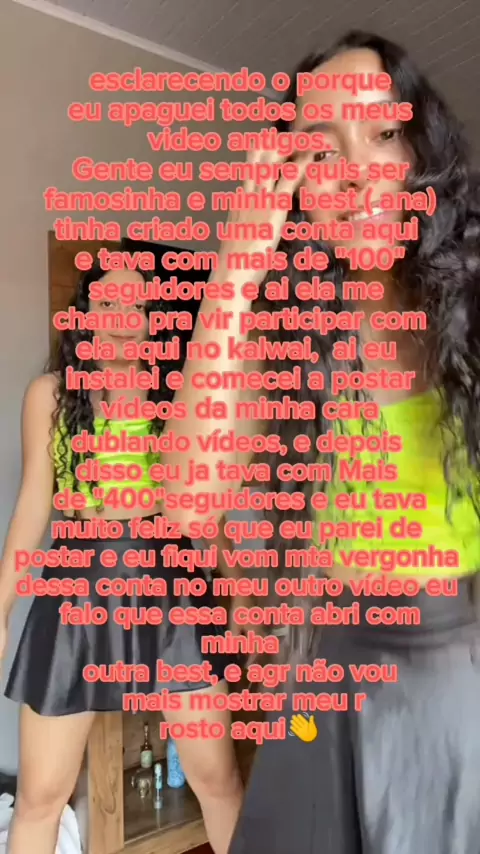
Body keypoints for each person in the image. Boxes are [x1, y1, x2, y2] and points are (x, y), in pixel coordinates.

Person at [156, 29, 480, 854]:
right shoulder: (284, 332)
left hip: (460, 689)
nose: (358, 172)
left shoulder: (470, 316)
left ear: (419, 152)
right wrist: (236, 267)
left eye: (383, 134)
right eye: (322, 150)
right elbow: (187, 503)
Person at [0, 262, 244, 854]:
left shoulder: (175, 397)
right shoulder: (51, 396)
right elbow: (33, 505)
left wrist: (240, 596)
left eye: (136, 306)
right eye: (109, 303)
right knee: (39, 798)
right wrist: (1, 608)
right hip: (77, 589)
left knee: (218, 779)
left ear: (151, 321)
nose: (122, 318)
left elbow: (205, 511)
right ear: (85, 316)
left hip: (171, 586)